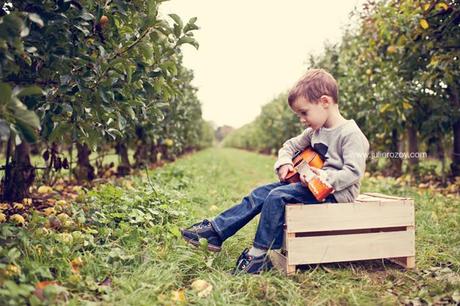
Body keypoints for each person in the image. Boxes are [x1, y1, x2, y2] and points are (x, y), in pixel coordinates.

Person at [180, 68, 370, 274]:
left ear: (325, 102)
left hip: (336, 195)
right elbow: (288, 146)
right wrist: (285, 163)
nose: (302, 119)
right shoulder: (314, 131)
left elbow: (353, 172)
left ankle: (259, 254)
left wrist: (323, 178)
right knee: (260, 193)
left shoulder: (350, 134)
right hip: (312, 188)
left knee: (277, 195)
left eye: (304, 112)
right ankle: (216, 231)